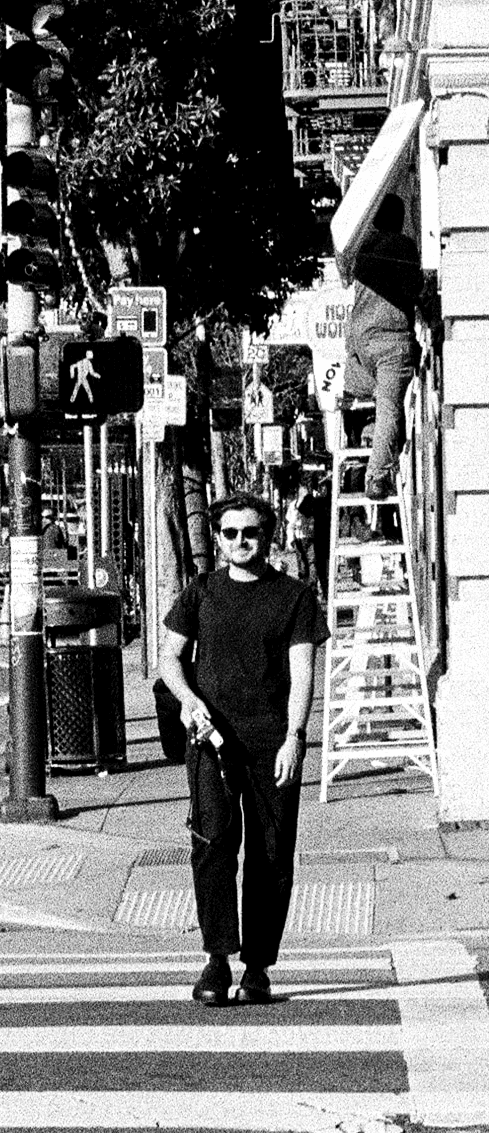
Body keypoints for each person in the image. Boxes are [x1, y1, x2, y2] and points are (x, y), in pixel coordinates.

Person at [160, 492, 329, 1006]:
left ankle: (257, 966)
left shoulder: (294, 597)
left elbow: (303, 672)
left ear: (268, 535)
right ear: (218, 537)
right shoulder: (201, 592)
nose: (240, 542)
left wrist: (295, 736)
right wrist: (189, 700)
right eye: (230, 533)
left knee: (271, 854)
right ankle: (216, 959)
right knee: (212, 846)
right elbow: (171, 658)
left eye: (250, 532)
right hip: (211, 745)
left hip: (272, 744)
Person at [343, 192, 423, 500]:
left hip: (360, 344)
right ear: (399, 220)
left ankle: (380, 437)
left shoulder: (364, 247)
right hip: (390, 340)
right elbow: (412, 287)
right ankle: (376, 476)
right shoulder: (400, 245)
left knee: (385, 400)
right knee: (391, 407)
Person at [285, 469, 318, 589]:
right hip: (300, 537)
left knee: (311, 561)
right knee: (304, 563)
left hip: (309, 536)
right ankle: (306, 586)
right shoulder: (294, 506)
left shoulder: (312, 504)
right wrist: (291, 539)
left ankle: (311, 586)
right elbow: (290, 524)